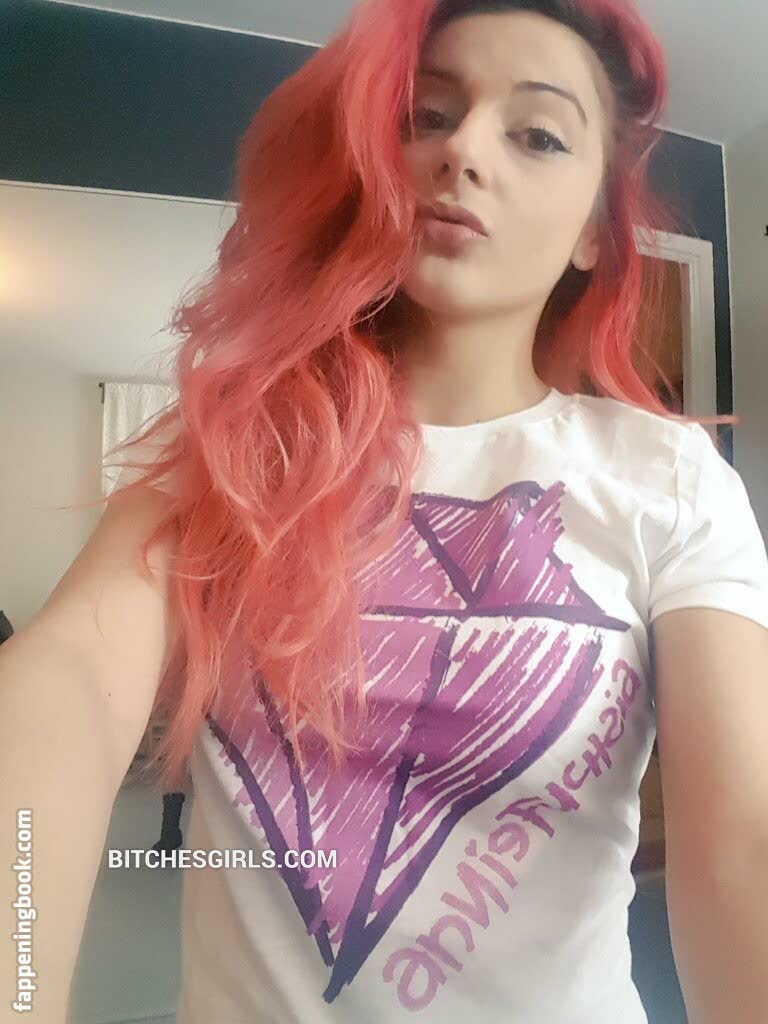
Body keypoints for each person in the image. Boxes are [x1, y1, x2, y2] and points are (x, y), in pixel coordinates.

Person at [3, 0, 768, 1022]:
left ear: (594, 231)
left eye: (538, 135)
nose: (464, 153)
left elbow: (740, 839)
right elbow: (67, 685)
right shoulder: (239, 443)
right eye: (427, 117)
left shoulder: (666, 475)